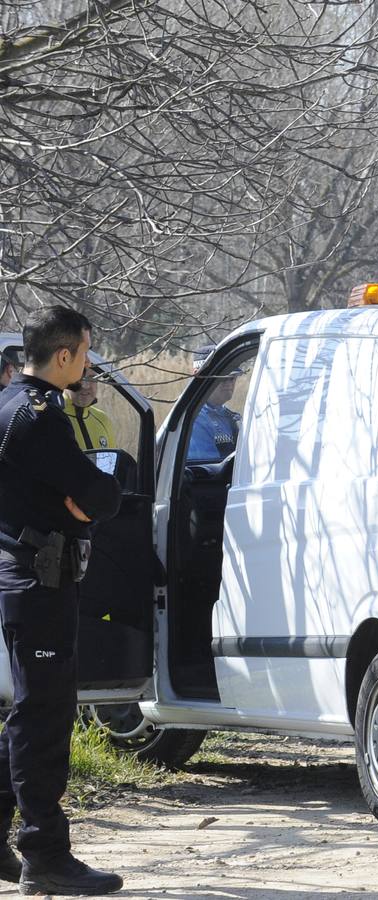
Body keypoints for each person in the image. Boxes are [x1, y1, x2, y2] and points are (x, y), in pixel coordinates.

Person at [0, 306, 124, 895]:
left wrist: (82, 497)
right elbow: (96, 492)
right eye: (87, 351)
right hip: (40, 578)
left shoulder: (6, 402)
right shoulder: (42, 414)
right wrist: (95, 495)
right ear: (66, 355)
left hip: (21, 574)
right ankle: (45, 856)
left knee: (28, 711)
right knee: (44, 719)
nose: (90, 362)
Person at [187, 347, 241, 463]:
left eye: (232, 378)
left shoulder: (231, 416)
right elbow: (208, 471)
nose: (229, 383)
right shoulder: (195, 418)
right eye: (222, 378)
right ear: (200, 378)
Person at [63, 378, 117, 452]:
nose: (85, 386)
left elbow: (113, 461)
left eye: (92, 378)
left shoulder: (102, 419)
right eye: (79, 378)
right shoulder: (50, 417)